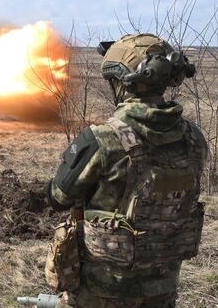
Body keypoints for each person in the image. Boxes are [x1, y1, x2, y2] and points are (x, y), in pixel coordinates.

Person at [45, 33, 208, 308]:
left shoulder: (103, 140)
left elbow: (57, 197)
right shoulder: (193, 139)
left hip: (100, 293)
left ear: (121, 83)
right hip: (162, 291)